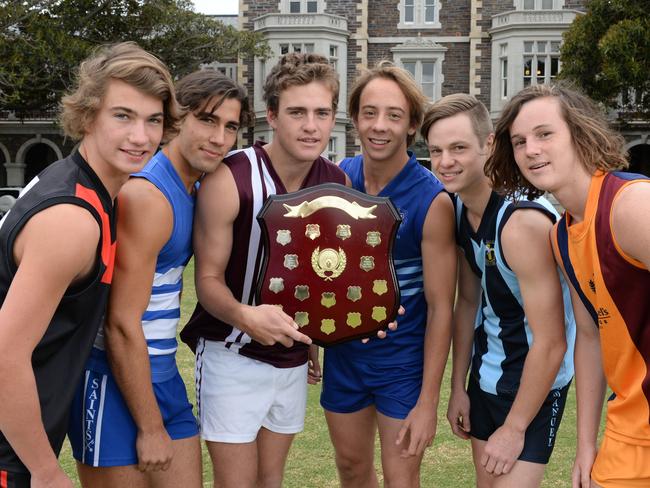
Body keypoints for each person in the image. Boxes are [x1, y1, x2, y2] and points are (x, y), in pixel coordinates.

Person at [0, 42, 178, 488]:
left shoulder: (86, 188)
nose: (141, 136)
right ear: (87, 116)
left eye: (152, 120)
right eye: (123, 116)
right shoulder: (73, 221)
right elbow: (4, 355)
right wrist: (43, 470)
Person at [67, 70, 250, 487]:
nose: (219, 138)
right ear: (176, 120)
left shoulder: (194, 187)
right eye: (207, 120)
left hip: (162, 373)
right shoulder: (148, 195)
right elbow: (120, 323)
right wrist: (150, 428)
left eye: (230, 126)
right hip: (112, 376)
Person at [179, 53, 347, 488]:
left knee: (270, 481)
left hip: (290, 360)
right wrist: (248, 317)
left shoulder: (338, 185)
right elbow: (208, 281)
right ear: (272, 115)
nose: (311, 126)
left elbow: (320, 277)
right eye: (297, 112)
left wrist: (316, 336)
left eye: (322, 113)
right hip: (232, 353)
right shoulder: (231, 177)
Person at [485, 83, 650, 488]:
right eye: (519, 141)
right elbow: (590, 338)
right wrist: (586, 446)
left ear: (580, 133)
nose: (530, 150)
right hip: (629, 422)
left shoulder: (630, 205)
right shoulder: (562, 235)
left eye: (545, 134)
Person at [423, 93, 575, 487]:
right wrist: (458, 387)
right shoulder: (458, 207)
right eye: (435, 150)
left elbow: (553, 341)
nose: (445, 162)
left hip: (534, 386)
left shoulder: (521, 221)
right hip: (487, 379)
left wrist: (515, 427)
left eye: (458, 148)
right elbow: (469, 300)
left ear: (489, 143)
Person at [318, 62, 455, 488]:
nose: (380, 126)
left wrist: (429, 400)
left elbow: (440, 308)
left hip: (401, 365)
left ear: (412, 124)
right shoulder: (339, 179)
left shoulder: (432, 200)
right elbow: (324, 272)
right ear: (355, 117)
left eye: (394, 115)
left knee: (400, 477)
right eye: (369, 112)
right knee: (352, 470)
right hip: (344, 358)